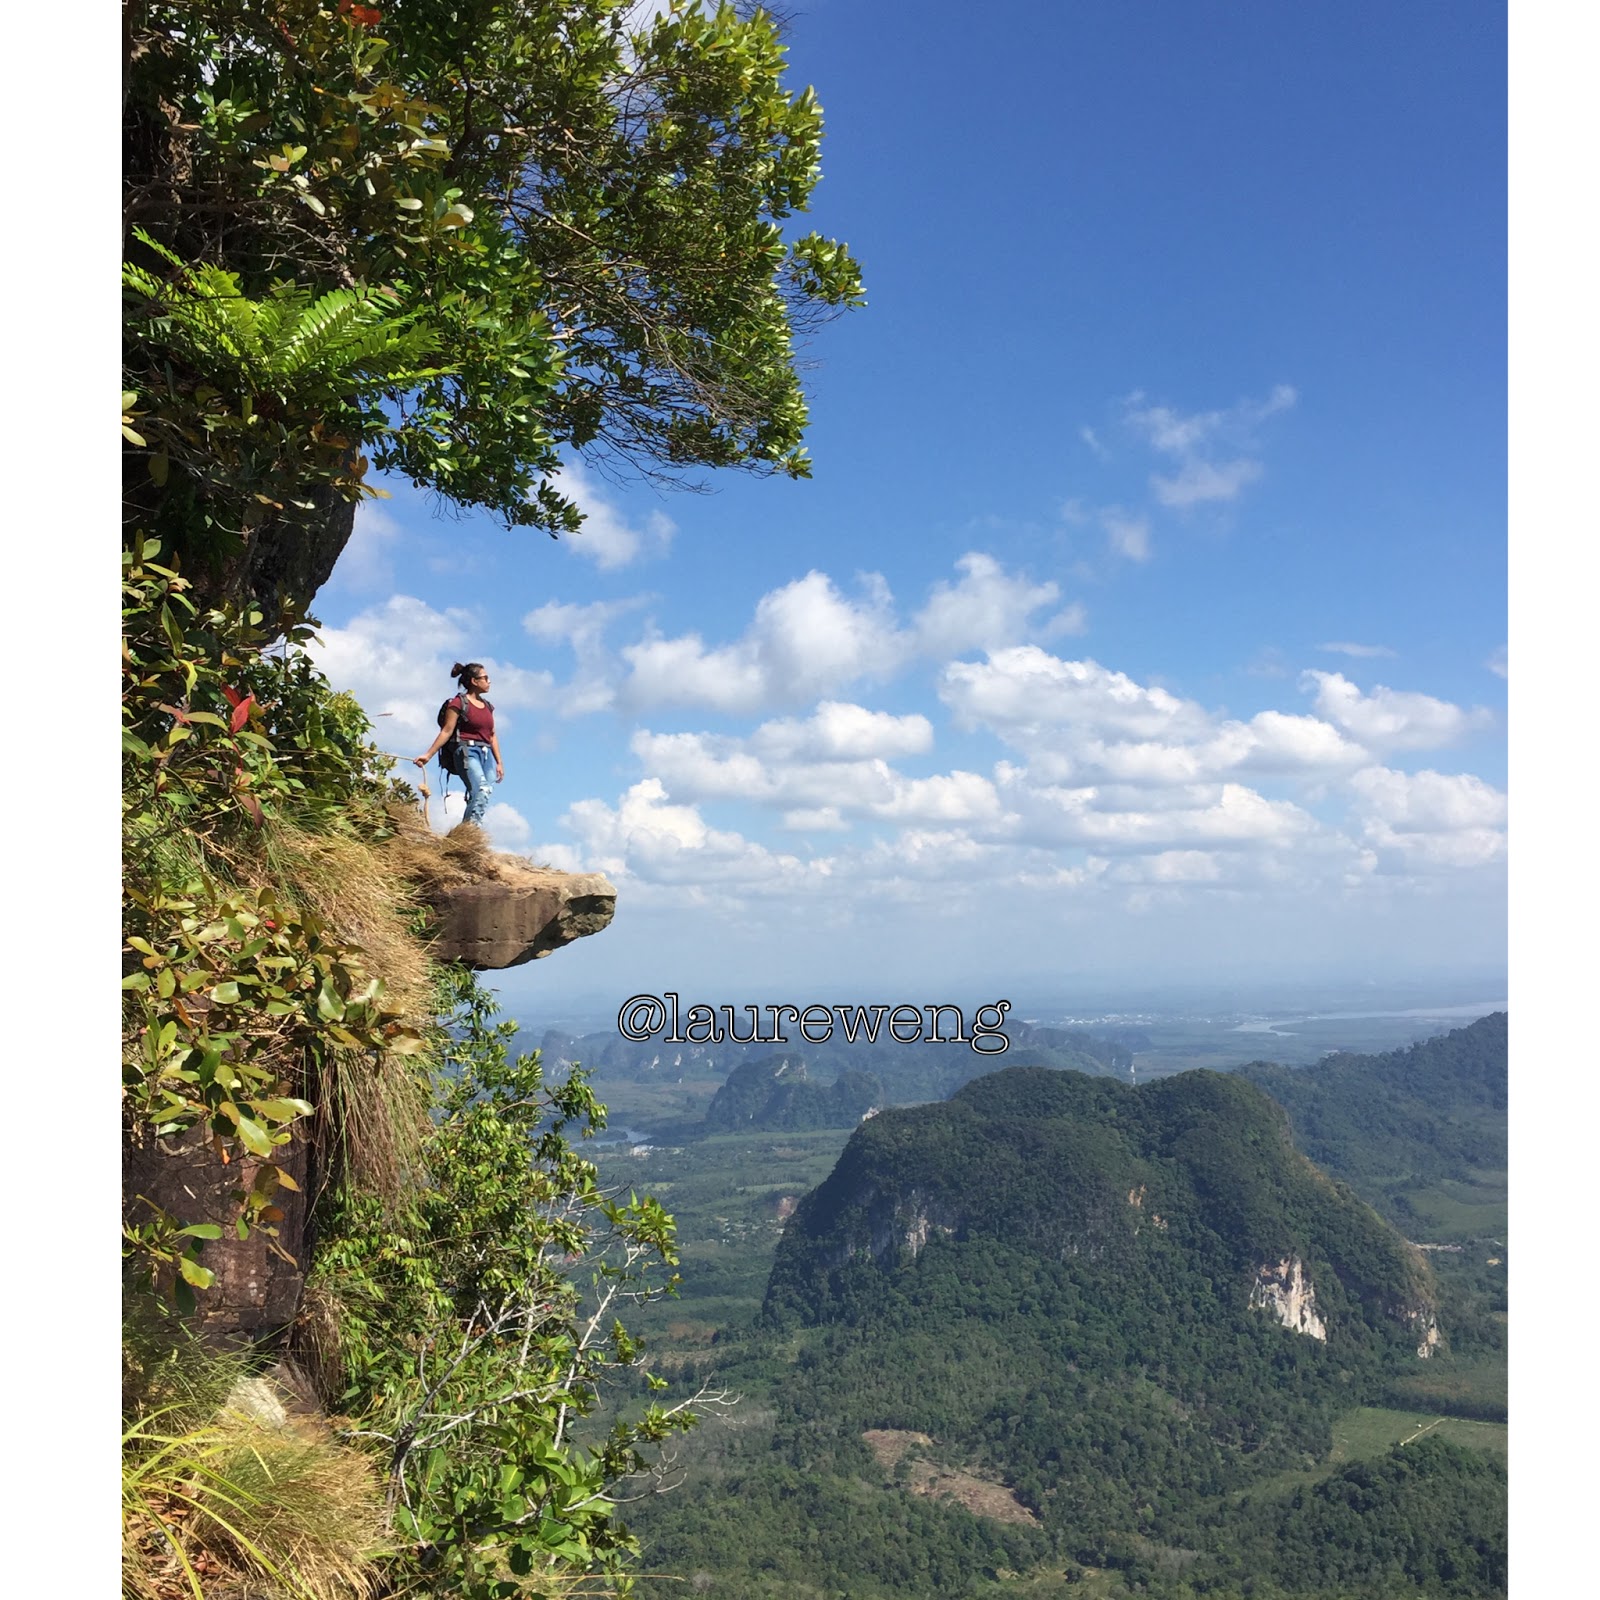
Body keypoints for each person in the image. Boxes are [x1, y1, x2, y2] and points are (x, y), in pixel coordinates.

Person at [414, 661, 504, 828]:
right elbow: (446, 731)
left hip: (486, 754)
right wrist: (428, 755)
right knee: (481, 790)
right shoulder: (458, 703)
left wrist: (499, 762)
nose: (489, 681)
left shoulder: (488, 707)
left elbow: (492, 735)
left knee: (483, 793)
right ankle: (471, 832)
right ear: (474, 681)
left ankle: (468, 831)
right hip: (467, 750)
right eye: (485, 678)